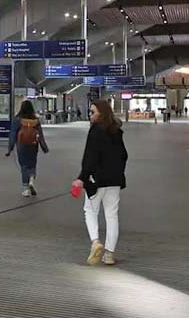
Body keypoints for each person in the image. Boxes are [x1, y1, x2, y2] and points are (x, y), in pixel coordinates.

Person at [72, 99, 128, 266]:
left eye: (93, 112)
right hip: (115, 180)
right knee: (112, 215)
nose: (90, 115)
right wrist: (117, 173)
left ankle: (96, 242)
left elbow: (89, 159)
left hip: (96, 181)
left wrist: (81, 178)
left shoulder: (95, 131)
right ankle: (109, 254)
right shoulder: (117, 132)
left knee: (90, 210)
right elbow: (124, 156)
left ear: (101, 113)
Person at [5, 100, 49, 197]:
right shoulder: (35, 120)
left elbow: (12, 135)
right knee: (32, 164)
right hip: (33, 145)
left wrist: (10, 149)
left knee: (24, 166)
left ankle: (26, 189)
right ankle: (32, 179)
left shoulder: (17, 119)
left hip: (22, 145)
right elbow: (40, 135)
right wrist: (44, 147)